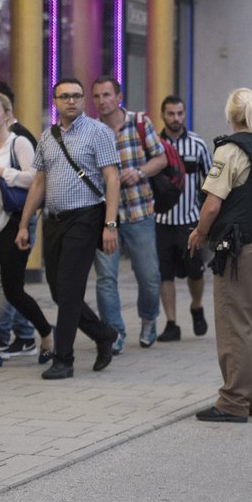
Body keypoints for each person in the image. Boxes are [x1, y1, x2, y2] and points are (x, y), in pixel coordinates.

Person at [186, 88, 252, 422]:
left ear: (230, 114)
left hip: (240, 250)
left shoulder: (231, 149)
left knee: (235, 324)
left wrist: (199, 232)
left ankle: (233, 401)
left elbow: (213, 203)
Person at [14, 77, 120, 380]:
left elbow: (111, 179)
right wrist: (25, 223)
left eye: (76, 96)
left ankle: (64, 359)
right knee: (59, 291)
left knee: (70, 288)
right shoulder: (47, 137)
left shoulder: (98, 132)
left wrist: (110, 225)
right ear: (55, 101)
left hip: (85, 218)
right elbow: (39, 182)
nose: (71, 101)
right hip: (54, 220)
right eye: (65, 97)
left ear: (83, 100)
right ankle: (103, 334)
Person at [0, 93, 54, 368]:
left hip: (11, 223)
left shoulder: (20, 144)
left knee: (13, 289)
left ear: (7, 114)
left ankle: (47, 332)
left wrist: (1, 172)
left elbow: (35, 180)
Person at [90, 76, 164, 352]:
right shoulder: (92, 130)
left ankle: (148, 319)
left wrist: (140, 172)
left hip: (138, 210)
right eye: (96, 96)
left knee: (148, 275)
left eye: (107, 95)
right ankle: (114, 332)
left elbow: (161, 158)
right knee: (106, 277)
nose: (101, 101)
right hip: (105, 214)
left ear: (118, 97)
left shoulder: (140, 122)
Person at [155, 94, 212, 342]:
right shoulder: (154, 145)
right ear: (163, 115)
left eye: (180, 113)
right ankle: (171, 323)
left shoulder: (198, 145)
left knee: (195, 272)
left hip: (189, 222)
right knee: (164, 274)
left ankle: (196, 307)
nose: (176, 118)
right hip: (161, 222)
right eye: (171, 113)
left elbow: (210, 182)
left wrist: (205, 217)